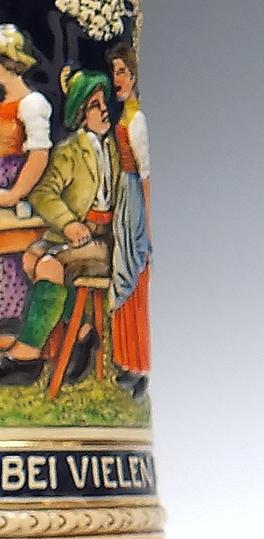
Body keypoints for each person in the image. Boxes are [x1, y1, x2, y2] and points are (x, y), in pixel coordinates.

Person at [0, 70, 118, 387]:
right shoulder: (71, 150)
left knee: (49, 266)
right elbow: (43, 192)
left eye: (103, 103)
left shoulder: (116, 148)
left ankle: (27, 357)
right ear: (80, 113)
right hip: (78, 234)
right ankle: (80, 334)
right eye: (94, 105)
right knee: (30, 258)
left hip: (106, 238)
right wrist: (68, 223)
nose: (104, 110)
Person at [107, 42, 151, 395]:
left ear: (134, 74)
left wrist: (148, 227)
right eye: (114, 72)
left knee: (134, 275)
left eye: (121, 71)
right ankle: (124, 359)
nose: (116, 78)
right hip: (124, 196)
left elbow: (146, 175)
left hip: (134, 196)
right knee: (122, 274)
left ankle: (138, 365)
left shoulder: (136, 120)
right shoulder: (124, 115)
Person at [0, 24, 52, 324]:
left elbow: (38, 156)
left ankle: (10, 328)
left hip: (17, 192)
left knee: (10, 264)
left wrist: (14, 194)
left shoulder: (31, 104)